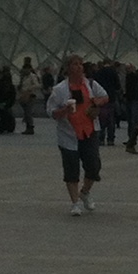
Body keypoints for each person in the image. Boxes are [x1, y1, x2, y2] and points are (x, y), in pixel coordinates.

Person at [46, 56, 106, 215]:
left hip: (90, 131)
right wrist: (65, 110)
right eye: (75, 64)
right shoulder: (59, 89)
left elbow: (105, 97)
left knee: (94, 166)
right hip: (68, 134)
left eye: (80, 64)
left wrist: (95, 103)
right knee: (71, 169)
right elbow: (51, 112)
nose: (79, 67)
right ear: (68, 68)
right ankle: (75, 204)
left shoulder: (91, 84)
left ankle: (85, 192)